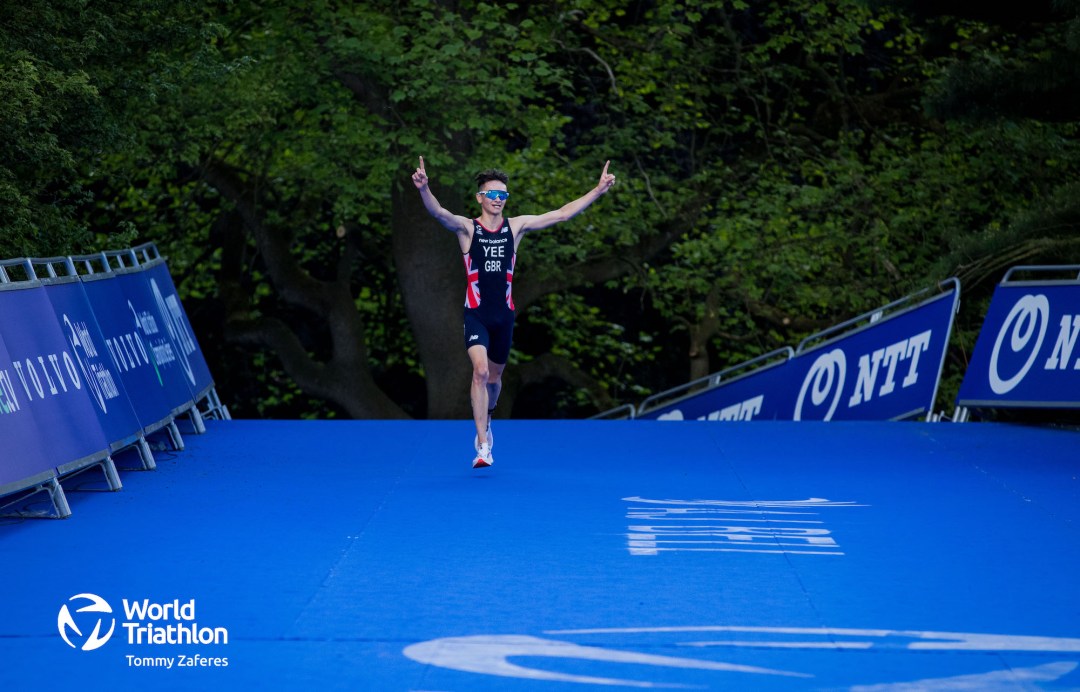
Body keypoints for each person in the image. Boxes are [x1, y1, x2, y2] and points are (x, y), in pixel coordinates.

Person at [411, 156, 616, 468]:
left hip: (504, 317)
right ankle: (482, 445)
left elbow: (560, 215)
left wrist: (597, 191)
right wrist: (425, 189)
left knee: (494, 379)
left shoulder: (515, 227)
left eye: (503, 195)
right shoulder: (468, 229)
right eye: (493, 194)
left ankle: (488, 418)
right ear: (480, 197)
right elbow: (438, 213)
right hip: (476, 314)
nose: (498, 200)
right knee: (479, 372)